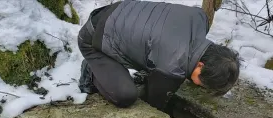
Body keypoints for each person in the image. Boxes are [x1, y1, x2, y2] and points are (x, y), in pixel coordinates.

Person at [77, 0, 240, 111]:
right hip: (93, 38)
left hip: (120, 12)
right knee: (125, 96)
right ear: (200, 65)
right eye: (202, 83)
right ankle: (91, 69)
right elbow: (155, 104)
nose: (199, 85)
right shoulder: (173, 65)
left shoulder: (200, 19)